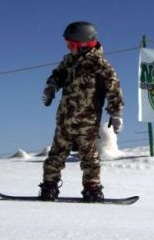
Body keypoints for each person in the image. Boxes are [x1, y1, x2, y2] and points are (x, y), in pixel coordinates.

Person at [39, 21, 124, 202]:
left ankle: (92, 189)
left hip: (87, 121)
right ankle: (49, 187)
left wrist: (116, 114)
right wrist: (51, 87)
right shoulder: (69, 61)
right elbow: (58, 75)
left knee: (89, 158)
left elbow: (114, 89)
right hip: (64, 120)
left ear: (84, 44)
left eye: (71, 45)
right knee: (55, 155)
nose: (69, 48)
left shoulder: (100, 65)